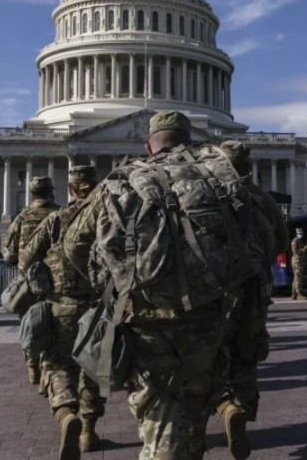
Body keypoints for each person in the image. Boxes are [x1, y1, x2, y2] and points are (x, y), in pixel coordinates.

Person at [90, 110, 234, 459]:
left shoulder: (123, 180)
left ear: (148, 145)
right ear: (190, 140)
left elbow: (90, 252)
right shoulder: (217, 180)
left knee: (159, 416)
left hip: (146, 315)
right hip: (206, 313)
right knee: (195, 409)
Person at [211, 140, 289, 459]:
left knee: (212, 354)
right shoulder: (261, 198)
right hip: (255, 290)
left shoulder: (204, 195)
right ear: (249, 164)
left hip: (217, 290)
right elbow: (282, 240)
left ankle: (223, 405)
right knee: (247, 353)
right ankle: (241, 409)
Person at [20, 166, 104, 459]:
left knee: (59, 365)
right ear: (95, 186)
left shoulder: (57, 218)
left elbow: (26, 257)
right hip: (99, 307)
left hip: (62, 304)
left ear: (70, 190)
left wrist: (44, 280)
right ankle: (89, 432)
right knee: (94, 369)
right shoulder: (112, 218)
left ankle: (66, 413)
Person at [3, 176, 59, 387]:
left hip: (28, 283)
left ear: (32, 193)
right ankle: (48, 369)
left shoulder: (22, 217)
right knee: (54, 326)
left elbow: (9, 254)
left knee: (29, 324)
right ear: (50, 192)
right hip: (55, 280)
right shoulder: (60, 214)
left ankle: (32, 363)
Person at [290, 228, 307, 300]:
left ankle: (294, 294)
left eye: (302, 233)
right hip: (297, 261)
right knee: (298, 277)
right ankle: (299, 294)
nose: (301, 234)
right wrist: (304, 248)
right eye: (300, 233)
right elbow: (296, 252)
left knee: (296, 277)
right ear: (297, 233)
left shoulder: (300, 241)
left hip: (299, 261)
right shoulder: (295, 241)